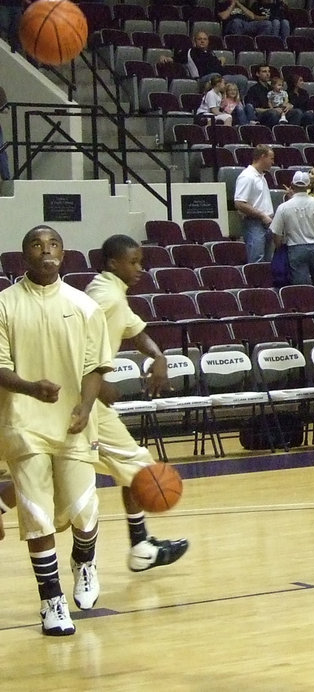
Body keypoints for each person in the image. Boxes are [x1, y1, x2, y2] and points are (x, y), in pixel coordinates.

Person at [0, 225, 110, 635]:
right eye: (36, 245)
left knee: (83, 513)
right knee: (36, 517)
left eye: (54, 245)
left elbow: (95, 366)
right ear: (23, 254)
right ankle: (52, 602)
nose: (46, 251)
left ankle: (85, 559)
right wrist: (31, 387)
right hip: (23, 424)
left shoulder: (84, 306)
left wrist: (83, 405)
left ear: (63, 254)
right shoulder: (4, 305)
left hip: (74, 423)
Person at [70, 236, 190, 573]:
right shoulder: (103, 297)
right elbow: (74, 340)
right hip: (83, 401)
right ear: (112, 263)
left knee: (54, 474)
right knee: (140, 470)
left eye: (141, 261)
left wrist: (158, 355)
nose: (140, 268)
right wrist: (97, 381)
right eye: (133, 262)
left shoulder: (112, 294)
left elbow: (134, 330)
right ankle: (139, 548)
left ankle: (141, 547)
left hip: (86, 400)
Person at [271, 170, 314, 285]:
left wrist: (279, 246)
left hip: (295, 248)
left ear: (292, 184)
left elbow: (277, 234)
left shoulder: (283, 207)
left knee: (301, 286)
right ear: (309, 185)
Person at [233, 145, 276, 264]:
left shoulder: (261, 176)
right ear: (263, 157)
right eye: (271, 158)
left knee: (267, 262)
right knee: (256, 260)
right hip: (254, 223)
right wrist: (262, 215)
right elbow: (239, 203)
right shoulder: (247, 176)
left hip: (266, 223)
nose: (273, 162)